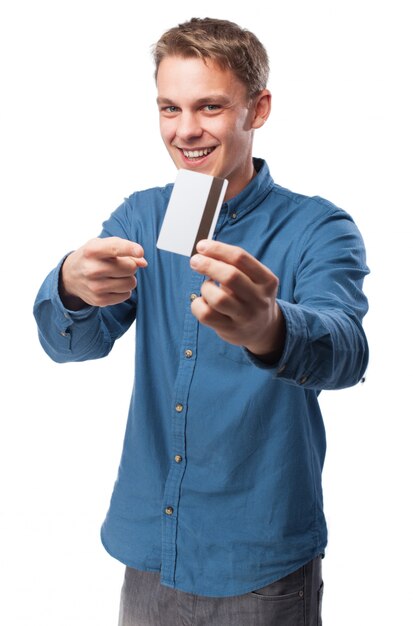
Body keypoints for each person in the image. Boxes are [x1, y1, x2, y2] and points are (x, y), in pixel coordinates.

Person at [33, 17, 369, 626]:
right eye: (170, 108)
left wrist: (271, 328)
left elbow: (348, 351)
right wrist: (70, 287)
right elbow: (72, 346)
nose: (186, 131)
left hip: (260, 559)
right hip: (151, 551)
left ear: (257, 109)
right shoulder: (143, 215)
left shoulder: (319, 227)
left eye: (209, 107)